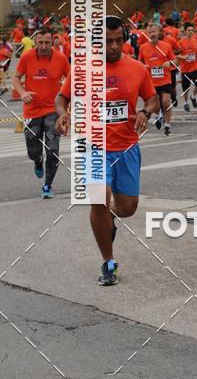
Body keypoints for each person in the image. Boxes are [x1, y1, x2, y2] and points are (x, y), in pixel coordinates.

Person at [56, 17, 158, 286]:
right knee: (99, 199)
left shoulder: (137, 68)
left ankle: (110, 217)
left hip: (126, 147)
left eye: (117, 40)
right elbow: (62, 98)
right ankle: (108, 262)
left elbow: (152, 97)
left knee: (127, 207)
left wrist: (145, 112)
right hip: (93, 147)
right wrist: (62, 115)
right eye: (107, 41)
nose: (113, 46)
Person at [11, 27, 70, 198]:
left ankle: (47, 185)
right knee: (33, 151)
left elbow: (73, 78)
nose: (44, 46)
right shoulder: (27, 57)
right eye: (41, 42)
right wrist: (22, 93)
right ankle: (37, 161)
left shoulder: (60, 58)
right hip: (32, 111)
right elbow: (15, 78)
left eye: (47, 43)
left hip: (54, 110)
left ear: (53, 42)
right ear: (35, 41)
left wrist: (68, 102)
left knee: (52, 149)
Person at [138, 23, 177, 135]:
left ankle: (167, 126)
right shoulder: (143, 47)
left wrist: (168, 63)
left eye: (154, 32)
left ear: (159, 32)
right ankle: (160, 114)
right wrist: (143, 67)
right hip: (151, 81)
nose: (152, 34)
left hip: (165, 79)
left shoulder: (166, 46)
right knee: (155, 106)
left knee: (166, 102)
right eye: (150, 32)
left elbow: (175, 61)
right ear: (147, 34)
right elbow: (139, 62)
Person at [179, 22, 197, 111]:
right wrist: (183, 57)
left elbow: (194, 51)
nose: (191, 32)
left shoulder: (195, 39)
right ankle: (185, 103)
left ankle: (193, 97)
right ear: (185, 31)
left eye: (192, 30)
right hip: (185, 69)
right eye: (189, 30)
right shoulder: (180, 42)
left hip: (195, 67)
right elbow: (174, 55)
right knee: (186, 89)